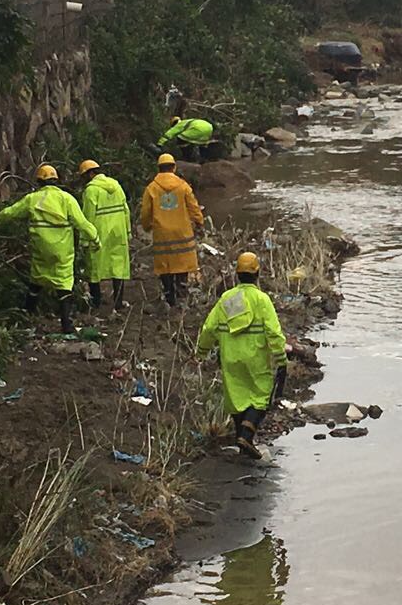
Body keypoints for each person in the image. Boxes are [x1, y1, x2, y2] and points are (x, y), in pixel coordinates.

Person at [196, 252, 288, 459]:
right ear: (258, 273)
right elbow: (273, 332)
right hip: (256, 358)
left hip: (230, 357)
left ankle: (242, 444)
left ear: (237, 274)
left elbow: (209, 328)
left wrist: (201, 352)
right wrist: (281, 359)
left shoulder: (227, 299)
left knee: (237, 397)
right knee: (260, 397)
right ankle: (246, 437)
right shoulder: (262, 300)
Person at [0, 164, 99, 334]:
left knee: (36, 281)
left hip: (40, 248)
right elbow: (82, 223)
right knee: (64, 284)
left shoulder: (32, 199)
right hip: (62, 250)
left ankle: (27, 315)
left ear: (40, 181)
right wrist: (95, 238)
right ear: (56, 180)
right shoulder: (66, 199)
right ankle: (66, 324)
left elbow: (10, 212)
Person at [139, 152, 204, 308]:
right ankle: (181, 292)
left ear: (159, 168)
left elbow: (146, 212)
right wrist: (199, 222)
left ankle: (169, 296)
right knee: (181, 262)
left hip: (162, 233)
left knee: (165, 264)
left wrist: (147, 226)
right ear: (174, 167)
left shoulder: (151, 188)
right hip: (182, 231)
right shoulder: (183, 186)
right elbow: (193, 206)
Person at [78, 159, 131, 310]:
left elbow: (87, 217)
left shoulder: (91, 191)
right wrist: (128, 231)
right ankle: (118, 303)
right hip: (119, 232)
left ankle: (96, 303)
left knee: (94, 268)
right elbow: (125, 210)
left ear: (90, 174)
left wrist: (85, 240)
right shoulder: (116, 185)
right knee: (118, 267)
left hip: (99, 234)